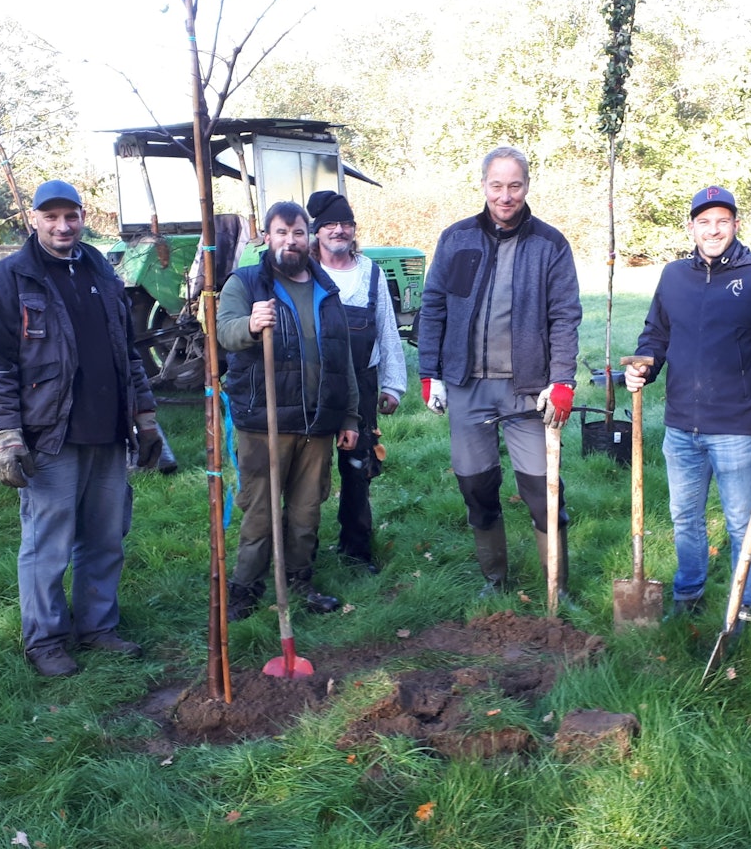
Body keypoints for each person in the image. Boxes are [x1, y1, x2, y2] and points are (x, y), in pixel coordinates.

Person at [0, 179, 162, 677]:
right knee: (48, 543)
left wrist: (145, 420)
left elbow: (129, 353)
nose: (63, 226)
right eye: (51, 216)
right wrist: (6, 438)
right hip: (50, 436)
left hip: (108, 431)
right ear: (33, 219)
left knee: (106, 537)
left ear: (82, 217)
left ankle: (98, 627)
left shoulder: (101, 269)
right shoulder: (8, 279)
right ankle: (46, 640)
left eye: (71, 216)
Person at [625, 186, 751, 635]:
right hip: (681, 425)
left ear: (735, 225)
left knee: (743, 521)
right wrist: (643, 368)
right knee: (685, 517)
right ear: (691, 228)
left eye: (722, 221)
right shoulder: (673, 277)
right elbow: (656, 336)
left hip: (737, 426)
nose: (713, 230)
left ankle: (748, 604)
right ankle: (688, 594)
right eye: (704, 222)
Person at [414, 146, 583, 600]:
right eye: (497, 186)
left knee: (542, 492)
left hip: (528, 391)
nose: (505, 196)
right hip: (467, 387)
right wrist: (430, 372)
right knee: (477, 488)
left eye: (514, 186)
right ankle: (495, 579)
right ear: (483, 185)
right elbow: (432, 308)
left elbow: (565, 315)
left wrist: (563, 380)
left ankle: (556, 587)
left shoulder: (550, 244)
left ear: (527, 187)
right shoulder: (455, 239)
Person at [218, 201, 360, 620]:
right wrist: (249, 325)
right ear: (266, 237)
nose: (290, 240)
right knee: (260, 512)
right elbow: (223, 332)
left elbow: (342, 359)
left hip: (317, 423)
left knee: (306, 511)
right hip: (265, 422)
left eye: (298, 232)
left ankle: (300, 581)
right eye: (281, 232)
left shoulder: (326, 289)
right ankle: (245, 588)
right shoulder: (245, 284)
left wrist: (349, 417)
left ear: (309, 236)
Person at [306, 190, 407, 574]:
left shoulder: (371, 273)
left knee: (357, 466)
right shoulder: (306, 271)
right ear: (317, 231)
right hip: (313, 385)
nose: (339, 230)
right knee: (308, 472)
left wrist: (393, 385)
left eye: (346, 223)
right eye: (331, 224)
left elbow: (387, 329)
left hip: (362, 384)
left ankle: (356, 549)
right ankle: (303, 552)